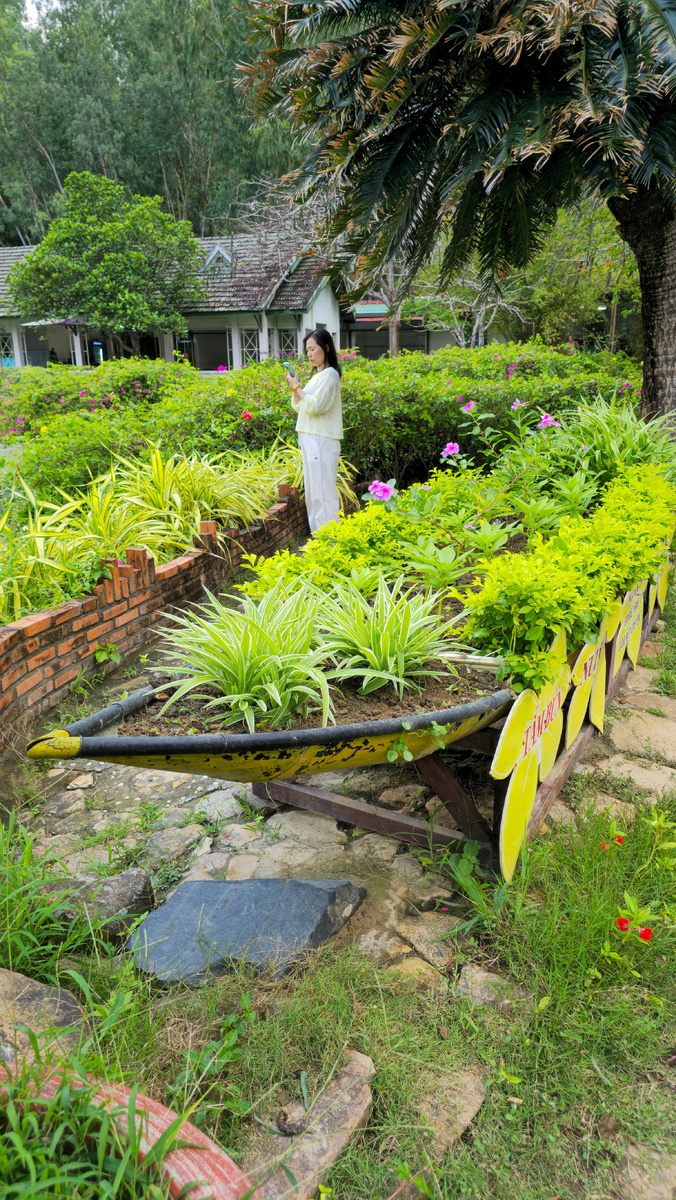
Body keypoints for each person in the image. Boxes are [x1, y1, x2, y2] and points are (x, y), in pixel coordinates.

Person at [286, 329, 343, 533]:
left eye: (312, 349)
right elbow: (301, 406)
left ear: (326, 348)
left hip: (322, 439)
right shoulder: (318, 376)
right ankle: (320, 536)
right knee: (314, 491)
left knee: (322, 491)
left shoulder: (330, 375)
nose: (309, 354)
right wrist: (296, 389)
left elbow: (317, 405)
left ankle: (329, 538)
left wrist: (297, 388)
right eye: (307, 350)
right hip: (311, 438)